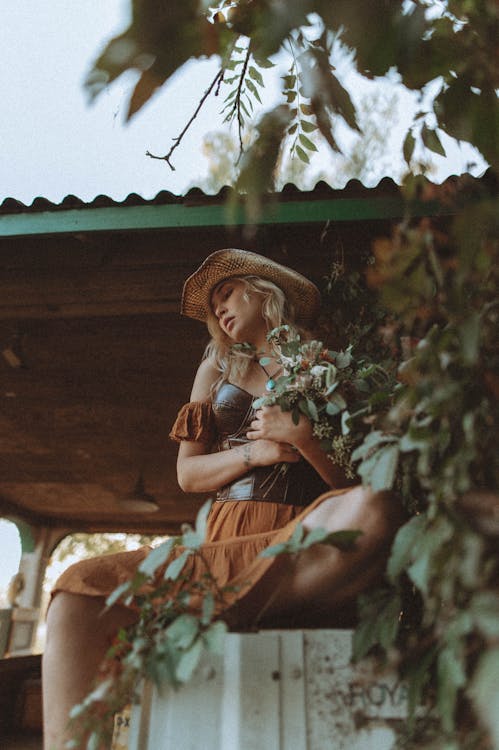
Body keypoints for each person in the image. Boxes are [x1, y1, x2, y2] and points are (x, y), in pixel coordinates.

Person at [42, 248, 401, 749]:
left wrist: (302, 438)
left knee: (376, 508)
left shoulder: (323, 360)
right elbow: (188, 474)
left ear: (261, 288)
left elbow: (356, 485)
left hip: (304, 533)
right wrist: (254, 452)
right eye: (213, 305)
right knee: (79, 585)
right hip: (224, 538)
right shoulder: (214, 369)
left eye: (226, 293)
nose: (220, 311)